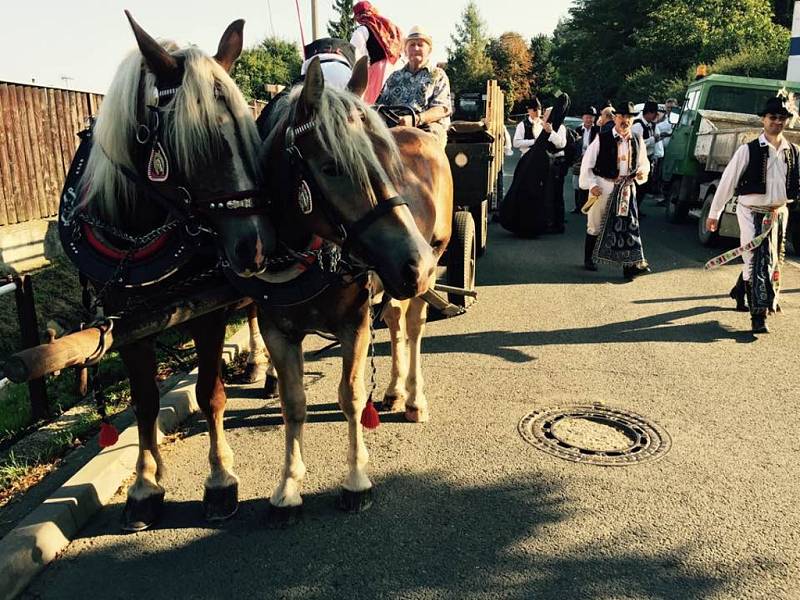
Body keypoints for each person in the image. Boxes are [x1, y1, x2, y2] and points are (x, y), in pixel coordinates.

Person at [704, 96, 799, 334]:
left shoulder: (794, 152)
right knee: (755, 259)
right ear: (763, 120)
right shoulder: (748, 150)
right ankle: (759, 316)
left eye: (781, 118)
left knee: (770, 259)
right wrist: (714, 213)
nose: (777, 122)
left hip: (778, 214)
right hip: (751, 212)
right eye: (772, 118)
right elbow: (727, 182)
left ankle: (739, 290)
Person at [579, 102, 651, 279]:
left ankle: (630, 266)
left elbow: (644, 163)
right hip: (604, 186)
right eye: (621, 116)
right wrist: (592, 184)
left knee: (628, 227)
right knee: (596, 223)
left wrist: (642, 171)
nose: (625, 120)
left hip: (626, 188)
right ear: (615, 118)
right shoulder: (602, 138)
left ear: (632, 120)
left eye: (628, 117)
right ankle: (589, 259)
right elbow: (587, 164)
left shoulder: (637, 139)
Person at [500, 95, 570, 236]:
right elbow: (517, 143)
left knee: (554, 194)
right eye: (539, 112)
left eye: (544, 113)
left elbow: (561, 144)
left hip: (552, 164)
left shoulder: (558, 128)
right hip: (533, 163)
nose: (541, 115)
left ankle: (556, 223)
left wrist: (549, 133)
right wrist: (534, 142)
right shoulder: (523, 125)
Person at [377, 26, 452, 147]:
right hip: (394, 127)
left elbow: (442, 109)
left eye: (420, 45)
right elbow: (380, 106)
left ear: (429, 50)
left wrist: (415, 119)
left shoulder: (438, 75)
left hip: (426, 127)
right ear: (405, 50)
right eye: (412, 45)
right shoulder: (394, 77)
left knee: (430, 146)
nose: (416, 48)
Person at [350, 1, 403, 104]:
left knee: (373, 104)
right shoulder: (389, 26)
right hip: (397, 67)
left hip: (378, 70)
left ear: (358, 16)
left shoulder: (362, 30)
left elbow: (355, 53)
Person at [632, 100, 661, 212]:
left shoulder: (651, 125)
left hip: (647, 158)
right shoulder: (638, 125)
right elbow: (636, 144)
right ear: (649, 113)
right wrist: (653, 140)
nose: (655, 117)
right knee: (638, 186)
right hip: (638, 160)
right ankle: (632, 209)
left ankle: (636, 208)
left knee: (644, 187)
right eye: (654, 114)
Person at [571, 106, 600, 213]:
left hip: (593, 161)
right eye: (587, 117)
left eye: (591, 117)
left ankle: (588, 206)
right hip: (579, 161)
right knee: (577, 183)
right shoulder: (578, 130)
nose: (589, 120)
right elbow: (572, 146)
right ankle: (577, 206)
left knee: (591, 183)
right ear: (582, 118)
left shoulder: (598, 130)